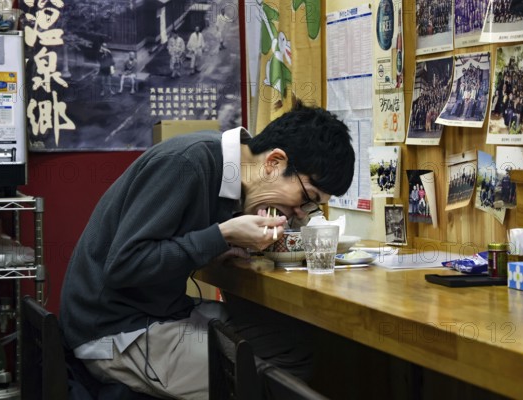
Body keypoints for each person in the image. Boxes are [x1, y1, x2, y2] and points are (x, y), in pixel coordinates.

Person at [59, 102, 356, 399]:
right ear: (274, 162)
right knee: (271, 380)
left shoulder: (226, 173)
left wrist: (215, 249)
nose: (300, 213)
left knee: (291, 345)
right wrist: (221, 235)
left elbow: (167, 245)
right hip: (113, 330)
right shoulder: (187, 162)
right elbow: (124, 265)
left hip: (156, 310)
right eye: (306, 197)